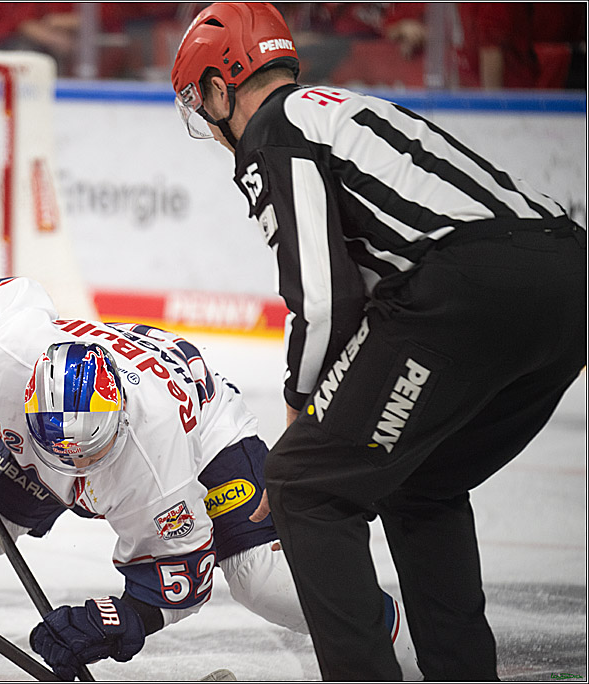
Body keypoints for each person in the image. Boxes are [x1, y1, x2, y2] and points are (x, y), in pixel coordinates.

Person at [171, 3, 586, 680]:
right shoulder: (347, 107)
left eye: (199, 99)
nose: (209, 127)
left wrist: (303, 415)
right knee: (423, 482)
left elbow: (328, 297)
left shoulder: (273, 131)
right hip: (570, 285)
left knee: (303, 486)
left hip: (465, 292)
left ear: (222, 86)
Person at [0, 275, 422, 681]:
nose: (71, 474)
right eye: (58, 454)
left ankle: (410, 656)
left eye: (85, 458)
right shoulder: (12, 352)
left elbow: (183, 580)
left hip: (204, 426)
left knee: (258, 577)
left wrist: (117, 618)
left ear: (115, 425)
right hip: (66, 425)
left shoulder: (153, 466)